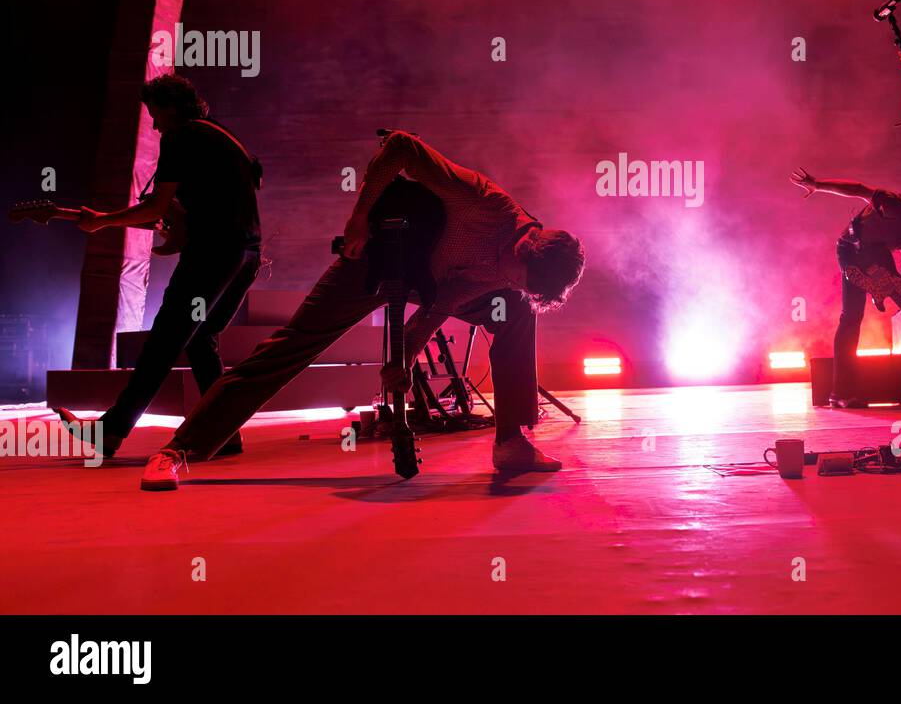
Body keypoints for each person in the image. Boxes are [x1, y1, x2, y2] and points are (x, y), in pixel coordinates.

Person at [139, 130, 585, 490]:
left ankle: (511, 442)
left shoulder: (510, 273)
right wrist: (359, 219)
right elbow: (401, 147)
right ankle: (180, 448)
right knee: (293, 345)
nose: (507, 280)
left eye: (516, 283)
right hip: (377, 259)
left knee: (516, 311)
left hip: (426, 279)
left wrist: (404, 356)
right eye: (514, 274)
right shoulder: (484, 201)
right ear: (527, 245)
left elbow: (443, 301)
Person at [58, 75, 261, 458]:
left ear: (172, 108)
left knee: (164, 342)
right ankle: (224, 433)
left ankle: (111, 431)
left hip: (212, 255)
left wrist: (101, 221)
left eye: (155, 115)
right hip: (246, 255)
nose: (154, 124)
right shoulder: (221, 135)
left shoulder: (180, 137)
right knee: (200, 339)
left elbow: (154, 208)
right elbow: (182, 213)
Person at [789, 167, 901, 398]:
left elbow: (900, 277)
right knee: (851, 317)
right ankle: (841, 393)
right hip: (852, 250)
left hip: (877, 254)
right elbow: (859, 189)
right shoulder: (899, 207)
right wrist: (818, 185)